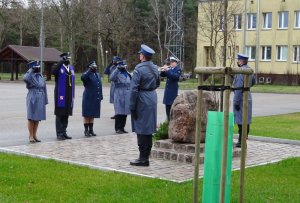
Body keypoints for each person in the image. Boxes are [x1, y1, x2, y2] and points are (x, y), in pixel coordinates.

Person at [129, 44, 160, 166]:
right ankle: (146, 156)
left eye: (140, 54)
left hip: (141, 99)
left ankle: (143, 158)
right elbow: (158, 83)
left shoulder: (139, 69)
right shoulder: (154, 67)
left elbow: (133, 89)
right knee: (149, 129)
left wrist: (132, 106)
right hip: (151, 97)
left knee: (141, 128)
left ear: (142, 56)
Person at [233, 53, 256, 148]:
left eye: (238, 60)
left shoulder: (240, 71)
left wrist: (236, 102)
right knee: (246, 120)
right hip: (248, 96)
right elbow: (254, 82)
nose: (237, 62)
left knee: (240, 121)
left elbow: (238, 87)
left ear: (241, 61)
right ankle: (244, 139)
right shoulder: (250, 70)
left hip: (241, 97)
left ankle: (241, 141)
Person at [52, 52, 75, 141]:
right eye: (66, 58)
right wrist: (61, 62)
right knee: (60, 113)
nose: (68, 60)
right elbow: (53, 72)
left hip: (69, 93)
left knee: (66, 113)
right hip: (60, 94)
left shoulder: (71, 68)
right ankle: (59, 133)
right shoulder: (58, 67)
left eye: (69, 59)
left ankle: (64, 132)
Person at [23, 61, 48, 143]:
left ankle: (34, 135)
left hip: (41, 97)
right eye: (36, 67)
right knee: (31, 118)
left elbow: (44, 88)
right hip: (32, 96)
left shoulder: (40, 75)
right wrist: (31, 70)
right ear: (32, 68)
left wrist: (45, 100)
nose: (38, 68)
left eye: (38, 66)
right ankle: (30, 136)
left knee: (37, 118)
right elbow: (25, 78)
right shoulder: (30, 76)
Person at [81, 61, 103, 137]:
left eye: (95, 66)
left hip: (95, 98)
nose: (95, 68)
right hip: (88, 97)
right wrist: (89, 70)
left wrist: (100, 96)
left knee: (92, 115)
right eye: (93, 66)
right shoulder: (87, 74)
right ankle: (86, 131)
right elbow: (83, 78)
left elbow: (99, 85)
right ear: (90, 67)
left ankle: (91, 130)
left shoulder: (97, 75)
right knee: (87, 115)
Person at [109, 61, 131, 134]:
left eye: (124, 66)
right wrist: (117, 69)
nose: (124, 67)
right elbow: (111, 78)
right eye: (122, 66)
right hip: (119, 93)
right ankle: (118, 128)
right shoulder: (117, 73)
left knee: (125, 112)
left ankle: (122, 127)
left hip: (127, 94)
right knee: (119, 112)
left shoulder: (127, 73)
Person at [159, 56, 181, 121]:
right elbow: (162, 75)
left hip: (173, 93)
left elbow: (175, 77)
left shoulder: (178, 69)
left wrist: (168, 70)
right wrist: (163, 70)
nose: (171, 63)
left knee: (172, 110)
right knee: (167, 110)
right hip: (167, 93)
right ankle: (168, 122)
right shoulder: (170, 69)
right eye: (171, 62)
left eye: (173, 62)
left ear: (176, 63)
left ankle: (172, 123)